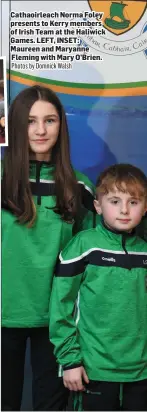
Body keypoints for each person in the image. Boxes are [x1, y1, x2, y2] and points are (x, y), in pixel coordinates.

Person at [1, 85, 96, 411]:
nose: (41, 130)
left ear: (61, 126)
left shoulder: (80, 187)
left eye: (50, 120)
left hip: (56, 324)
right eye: (30, 121)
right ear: (14, 125)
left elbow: (92, 262)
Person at [49, 163, 147, 411]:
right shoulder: (83, 246)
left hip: (141, 373)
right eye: (115, 201)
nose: (124, 210)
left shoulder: (144, 250)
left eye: (133, 202)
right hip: (93, 370)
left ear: (145, 208)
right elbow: (61, 308)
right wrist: (70, 362)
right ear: (97, 205)